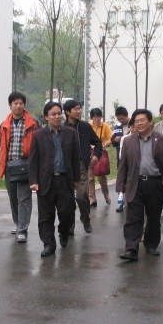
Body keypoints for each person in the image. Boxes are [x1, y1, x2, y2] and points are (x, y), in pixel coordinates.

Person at [117, 109, 163, 261]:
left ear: (150, 122)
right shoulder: (128, 141)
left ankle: (151, 244)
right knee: (133, 217)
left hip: (155, 183)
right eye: (136, 121)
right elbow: (123, 165)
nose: (139, 123)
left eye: (142, 120)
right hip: (135, 183)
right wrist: (121, 186)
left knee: (153, 216)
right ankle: (131, 248)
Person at [28, 101, 80, 257]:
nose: (57, 116)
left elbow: (75, 158)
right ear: (46, 117)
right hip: (45, 181)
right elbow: (33, 160)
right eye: (53, 114)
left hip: (65, 180)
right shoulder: (38, 136)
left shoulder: (70, 133)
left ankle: (63, 232)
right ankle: (49, 244)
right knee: (46, 216)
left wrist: (76, 179)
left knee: (67, 212)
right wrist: (33, 181)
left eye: (59, 113)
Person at [0, 92, 39, 244]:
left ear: (24, 105)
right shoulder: (4, 125)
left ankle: (22, 229)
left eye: (21, 103)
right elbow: (0, 143)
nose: (18, 106)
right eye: (15, 103)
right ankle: (18, 223)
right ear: (10, 105)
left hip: (26, 165)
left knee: (24, 199)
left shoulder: (33, 123)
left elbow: (39, 142)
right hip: (10, 166)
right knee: (13, 198)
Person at [62, 100, 102, 234]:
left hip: (81, 166)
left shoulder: (84, 127)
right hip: (65, 167)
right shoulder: (62, 128)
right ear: (68, 112)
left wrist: (96, 155)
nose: (79, 111)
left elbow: (97, 142)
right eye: (76, 109)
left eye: (79, 109)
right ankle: (70, 225)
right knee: (68, 199)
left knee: (81, 196)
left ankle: (85, 219)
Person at [89, 107, 112, 207]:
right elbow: (84, 138)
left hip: (100, 152)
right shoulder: (88, 126)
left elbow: (110, 138)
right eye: (95, 117)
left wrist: (105, 144)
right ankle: (92, 198)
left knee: (101, 176)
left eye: (99, 116)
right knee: (90, 177)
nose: (97, 119)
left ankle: (106, 195)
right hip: (89, 153)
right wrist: (90, 145)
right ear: (92, 117)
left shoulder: (105, 126)